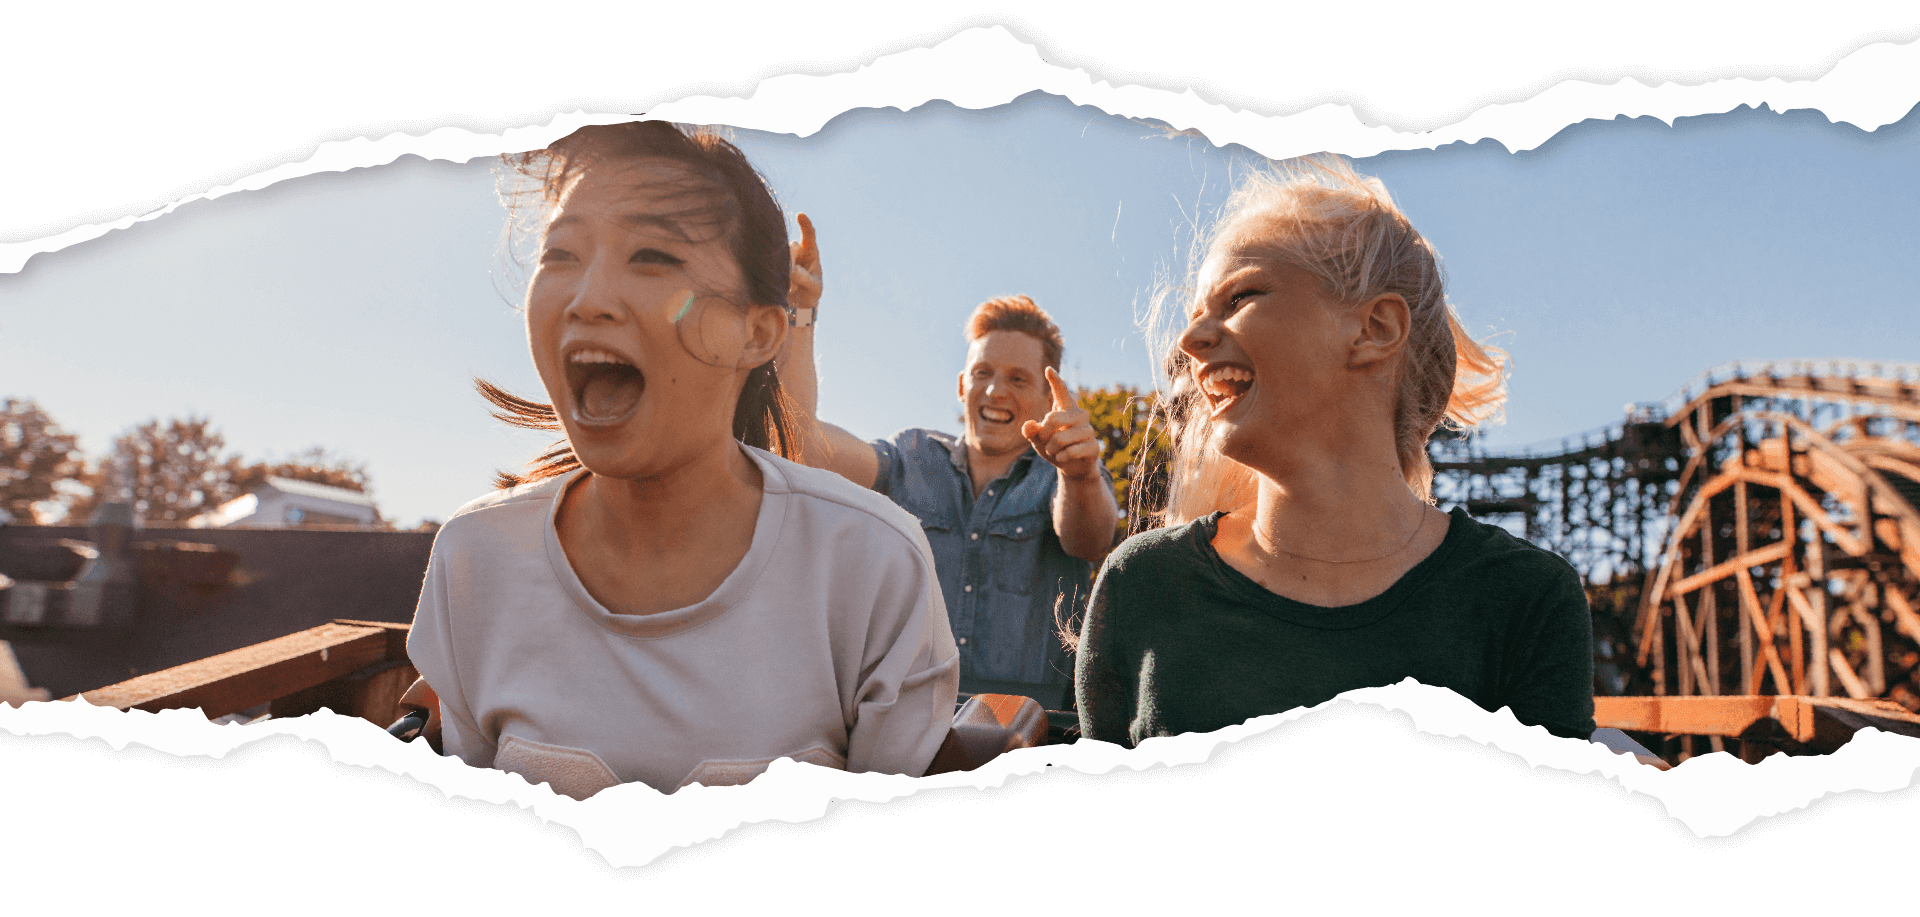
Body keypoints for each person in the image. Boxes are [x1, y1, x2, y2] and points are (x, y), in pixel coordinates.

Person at [405, 122, 959, 799]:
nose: (588, 300)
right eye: (560, 254)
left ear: (759, 332)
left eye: (652, 256)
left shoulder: (874, 564)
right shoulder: (473, 557)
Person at [1076, 158, 1595, 746]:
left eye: (1239, 297)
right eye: (1196, 315)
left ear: (1376, 328)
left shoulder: (1522, 599)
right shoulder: (1141, 584)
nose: (1189, 342)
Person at [779, 222, 1119, 710]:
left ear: (1048, 398)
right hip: (900, 722)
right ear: (962, 386)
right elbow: (801, 447)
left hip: (1027, 739)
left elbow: (1091, 539)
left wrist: (1080, 474)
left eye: (1019, 378)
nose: (996, 390)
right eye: (983, 373)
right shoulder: (910, 457)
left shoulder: (1065, 475)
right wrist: (799, 313)